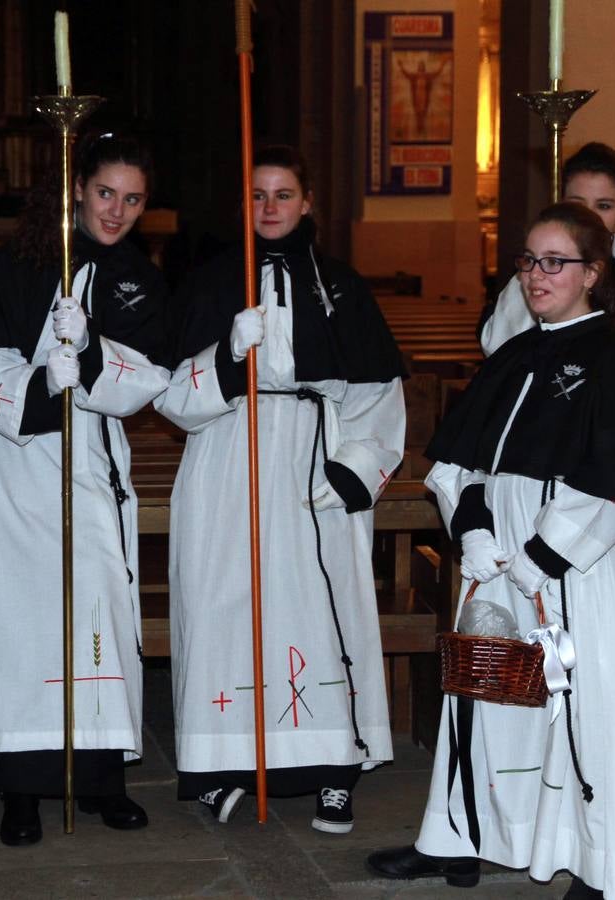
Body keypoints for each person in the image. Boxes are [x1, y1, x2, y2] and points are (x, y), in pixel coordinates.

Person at [367, 202, 615, 900]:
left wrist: (539, 559)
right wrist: (477, 531)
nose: (536, 275)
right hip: (494, 560)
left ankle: (595, 862)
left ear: (592, 274)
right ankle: (459, 837)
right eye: (527, 260)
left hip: (571, 566)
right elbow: (461, 464)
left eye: (555, 262)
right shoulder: (517, 355)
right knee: (482, 700)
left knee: (578, 708)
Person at [0, 132, 170, 847]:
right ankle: (20, 789)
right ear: (77, 189)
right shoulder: (17, 264)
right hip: (7, 460)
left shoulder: (138, 280)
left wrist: (88, 354)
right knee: (18, 625)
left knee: (96, 613)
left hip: (86, 460)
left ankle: (99, 779)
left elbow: (151, 378)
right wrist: (37, 381)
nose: (116, 210)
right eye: (104, 193)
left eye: (133, 198)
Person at [155, 145, 406, 835]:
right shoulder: (208, 283)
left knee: (319, 611)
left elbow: (378, 391)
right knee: (222, 607)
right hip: (226, 458)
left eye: (284, 194)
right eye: (258, 195)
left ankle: (333, 768)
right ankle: (217, 766)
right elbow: (173, 400)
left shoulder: (342, 285)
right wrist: (228, 358)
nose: (270, 207)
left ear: (308, 202)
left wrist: (352, 467)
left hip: (312, 460)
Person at [478, 143, 615, 816]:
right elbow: (506, 360)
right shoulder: (536, 282)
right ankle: (533, 776)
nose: (593, 217)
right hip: (543, 494)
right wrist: (544, 287)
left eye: (604, 206)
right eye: (579, 205)